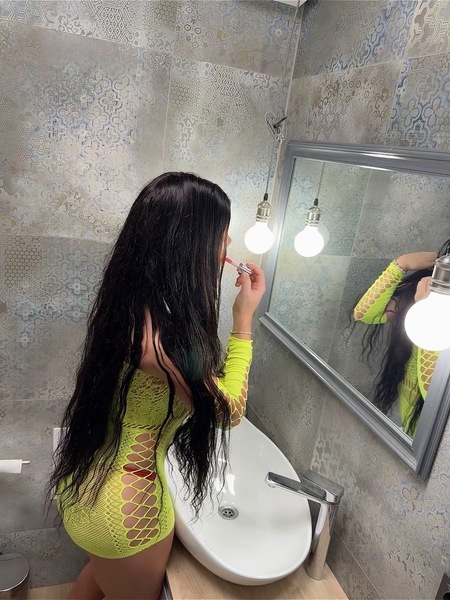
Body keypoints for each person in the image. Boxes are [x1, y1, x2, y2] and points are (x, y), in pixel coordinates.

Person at [48, 172, 265, 600]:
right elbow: (230, 411)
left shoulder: (136, 305)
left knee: (99, 576)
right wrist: (243, 322)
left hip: (89, 483)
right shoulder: (161, 344)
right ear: (190, 242)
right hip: (127, 507)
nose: (228, 245)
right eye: (222, 234)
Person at [353, 240, 450, 435]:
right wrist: (399, 266)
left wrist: (429, 314)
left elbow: (433, 392)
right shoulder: (427, 287)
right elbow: (364, 314)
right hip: (412, 424)